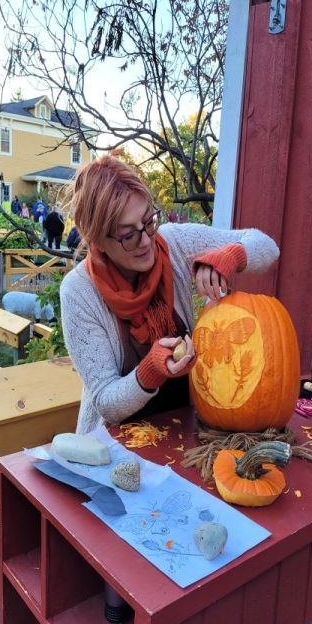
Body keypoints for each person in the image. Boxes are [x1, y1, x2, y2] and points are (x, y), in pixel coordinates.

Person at [60, 155, 280, 435]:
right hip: (113, 448)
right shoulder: (79, 291)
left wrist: (232, 255)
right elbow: (107, 403)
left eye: (148, 221)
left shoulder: (174, 243)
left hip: (183, 433)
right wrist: (150, 371)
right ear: (98, 241)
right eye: (128, 235)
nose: (145, 241)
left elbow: (267, 246)